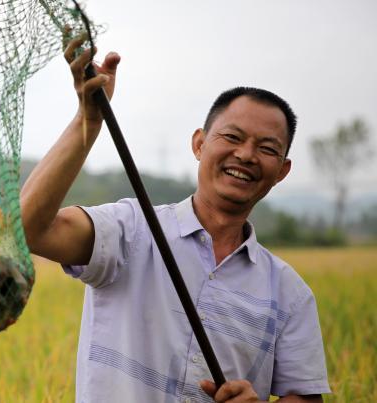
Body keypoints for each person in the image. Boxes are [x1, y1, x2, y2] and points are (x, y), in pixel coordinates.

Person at [20, 37, 330, 403]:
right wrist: (87, 121)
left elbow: (304, 396)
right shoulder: (130, 230)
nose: (246, 155)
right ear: (199, 144)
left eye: (267, 149)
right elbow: (30, 229)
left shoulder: (289, 294)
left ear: (282, 171)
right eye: (232, 136)